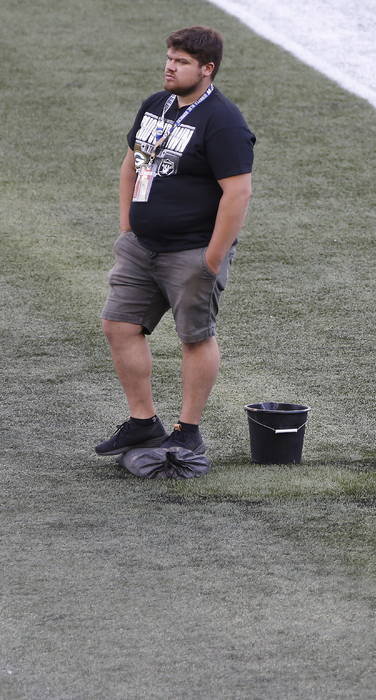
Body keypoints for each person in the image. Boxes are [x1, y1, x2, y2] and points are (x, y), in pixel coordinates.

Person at [95, 26, 255, 457]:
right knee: (119, 326)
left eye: (182, 61)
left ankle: (188, 429)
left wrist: (213, 256)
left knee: (195, 338)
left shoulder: (223, 122)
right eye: (170, 57)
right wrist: (128, 224)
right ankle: (143, 422)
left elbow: (238, 193)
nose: (170, 65)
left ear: (207, 69)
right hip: (141, 246)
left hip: (191, 251)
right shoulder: (156, 104)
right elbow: (132, 163)